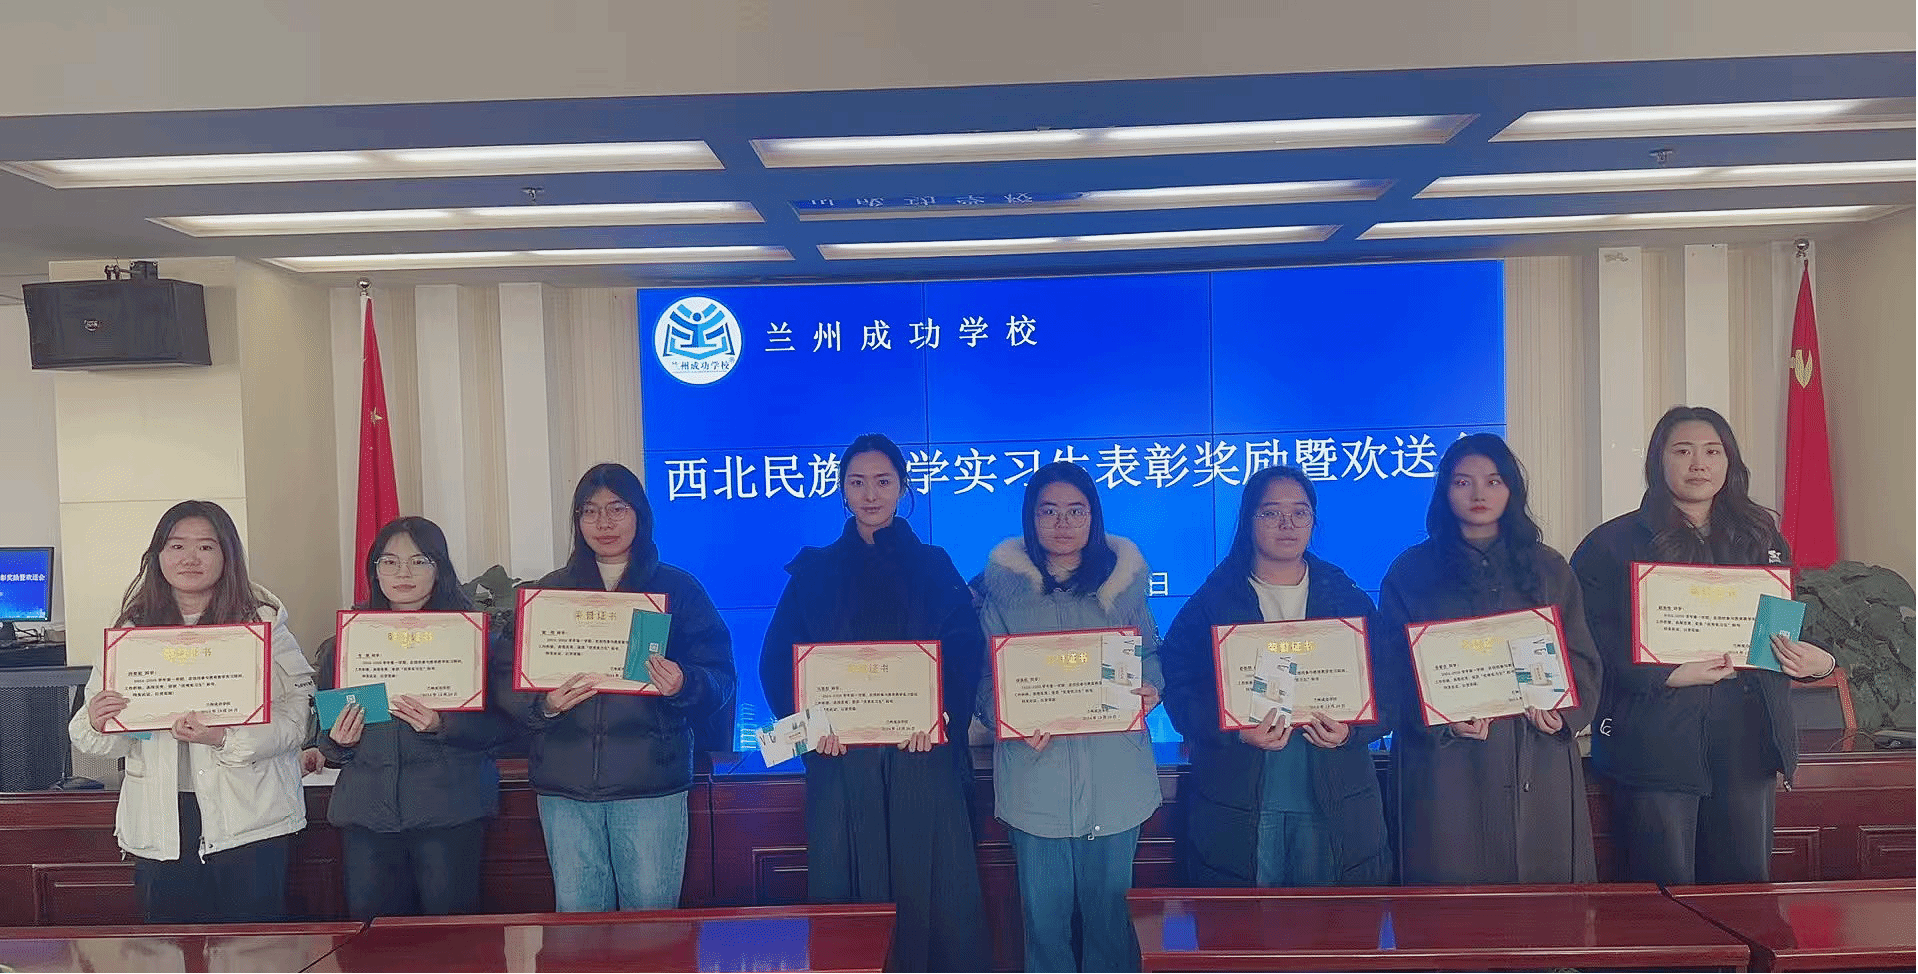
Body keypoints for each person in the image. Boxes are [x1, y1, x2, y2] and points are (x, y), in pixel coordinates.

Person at [1573, 406, 1837, 884]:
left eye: (1713, 451)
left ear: (1729, 461)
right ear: (1658, 460)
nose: (1699, 464)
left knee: (1744, 897)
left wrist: (1818, 661)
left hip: (1746, 743)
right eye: (1683, 451)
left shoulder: (1761, 537)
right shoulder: (1611, 544)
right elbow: (1588, 642)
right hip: (1656, 743)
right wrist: (1666, 674)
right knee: (1664, 898)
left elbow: (1783, 629)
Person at [758, 433, 990, 973]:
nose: (870, 494)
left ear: (903, 487)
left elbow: (963, 650)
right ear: (842, 490)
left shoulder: (934, 566)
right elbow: (777, 661)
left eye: (883, 481)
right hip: (843, 763)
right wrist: (809, 730)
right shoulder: (814, 572)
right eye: (857, 482)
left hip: (920, 758)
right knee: (850, 903)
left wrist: (941, 718)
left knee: (930, 892)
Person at [67, 500, 316, 923]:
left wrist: (226, 739)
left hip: (251, 816)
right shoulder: (132, 630)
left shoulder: (263, 624)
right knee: (171, 946)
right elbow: (89, 734)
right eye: (177, 546)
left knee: (254, 948)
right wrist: (98, 721)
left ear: (227, 555)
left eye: (205, 546)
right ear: (158, 555)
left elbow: (299, 717)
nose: (190, 558)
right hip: (161, 820)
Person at [1374, 434, 1603, 884]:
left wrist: (1563, 714)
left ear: (1512, 489)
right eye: (1463, 482)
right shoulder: (1411, 572)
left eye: (1493, 481)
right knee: (1450, 901)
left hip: (1535, 752)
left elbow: (1582, 657)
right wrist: (1441, 719)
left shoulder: (1549, 568)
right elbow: (1391, 671)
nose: (1478, 493)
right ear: (1444, 491)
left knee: (1544, 899)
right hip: (1445, 764)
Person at [517, 462, 735, 912]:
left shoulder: (678, 589)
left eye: (617, 508)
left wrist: (684, 683)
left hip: (649, 784)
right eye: (590, 511)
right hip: (566, 787)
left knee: (650, 924)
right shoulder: (550, 594)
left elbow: (720, 677)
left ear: (640, 514)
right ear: (577, 521)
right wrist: (547, 705)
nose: (604, 522)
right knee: (578, 926)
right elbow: (512, 685)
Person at [1160, 465, 1392, 888]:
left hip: (1334, 794)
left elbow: (1390, 684)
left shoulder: (1347, 598)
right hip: (1241, 796)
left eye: (1300, 513)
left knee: (1329, 924)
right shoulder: (1213, 600)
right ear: (1248, 520)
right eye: (1271, 513)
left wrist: (1353, 731)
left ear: (1313, 522)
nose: (1287, 524)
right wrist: (1230, 728)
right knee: (1248, 923)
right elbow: (1178, 683)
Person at [974, 461, 1162, 973]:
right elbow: (984, 682)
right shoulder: (999, 594)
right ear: (1030, 518)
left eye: (1076, 511)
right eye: (1049, 511)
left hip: (1116, 783)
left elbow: (1150, 655)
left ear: (1093, 517)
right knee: (1044, 933)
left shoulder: (1123, 586)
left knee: (1112, 932)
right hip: (1036, 784)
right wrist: (1006, 716)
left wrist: (1152, 688)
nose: (1063, 523)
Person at [301, 516, 519, 919]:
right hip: (367, 817)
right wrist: (338, 742)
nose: (403, 573)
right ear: (375, 571)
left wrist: (443, 725)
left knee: (450, 937)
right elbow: (329, 737)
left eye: (419, 561)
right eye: (390, 562)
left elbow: (508, 727)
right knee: (375, 938)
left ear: (440, 568)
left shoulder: (476, 641)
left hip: (450, 811)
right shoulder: (347, 644)